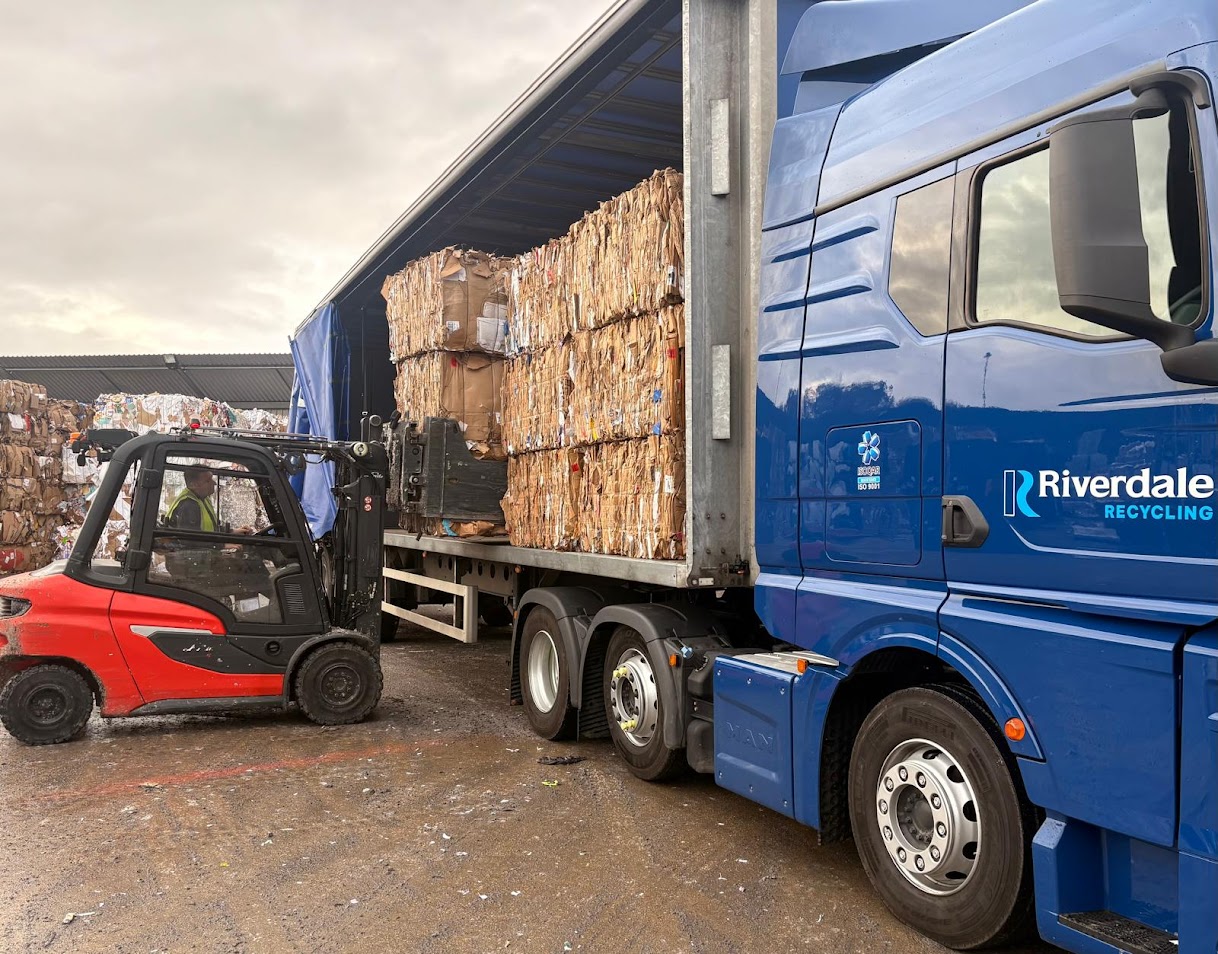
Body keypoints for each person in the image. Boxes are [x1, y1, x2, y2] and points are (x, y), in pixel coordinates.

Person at [165, 465, 221, 532]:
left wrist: (233, 531)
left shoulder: (203, 498)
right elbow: (189, 540)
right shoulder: (189, 506)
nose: (214, 483)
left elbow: (212, 527)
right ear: (193, 485)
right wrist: (224, 543)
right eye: (208, 481)